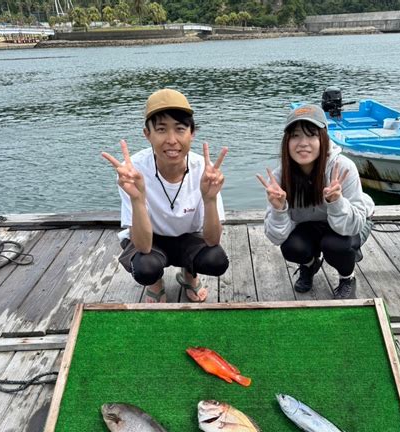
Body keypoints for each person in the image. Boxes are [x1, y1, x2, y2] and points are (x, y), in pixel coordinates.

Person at [102, 88, 229, 303]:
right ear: (147, 134)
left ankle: (189, 274)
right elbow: (142, 246)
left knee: (217, 260)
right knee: (145, 268)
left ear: (192, 133)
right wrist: (137, 198)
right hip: (150, 240)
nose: (171, 140)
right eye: (161, 129)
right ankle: (156, 283)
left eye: (180, 129)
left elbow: (212, 240)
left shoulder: (203, 170)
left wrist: (209, 199)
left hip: (189, 238)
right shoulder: (132, 171)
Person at [257, 104, 374, 299]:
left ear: (324, 138)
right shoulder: (280, 177)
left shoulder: (343, 168)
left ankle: (348, 277)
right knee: (291, 247)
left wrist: (336, 201)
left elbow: (353, 226)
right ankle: (310, 265)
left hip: (351, 223)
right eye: (295, 135)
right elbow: (276, 237)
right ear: (286, 142)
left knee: (335, 245)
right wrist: (279, 209)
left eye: (311, 135)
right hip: (311, 223)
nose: (303, 143)